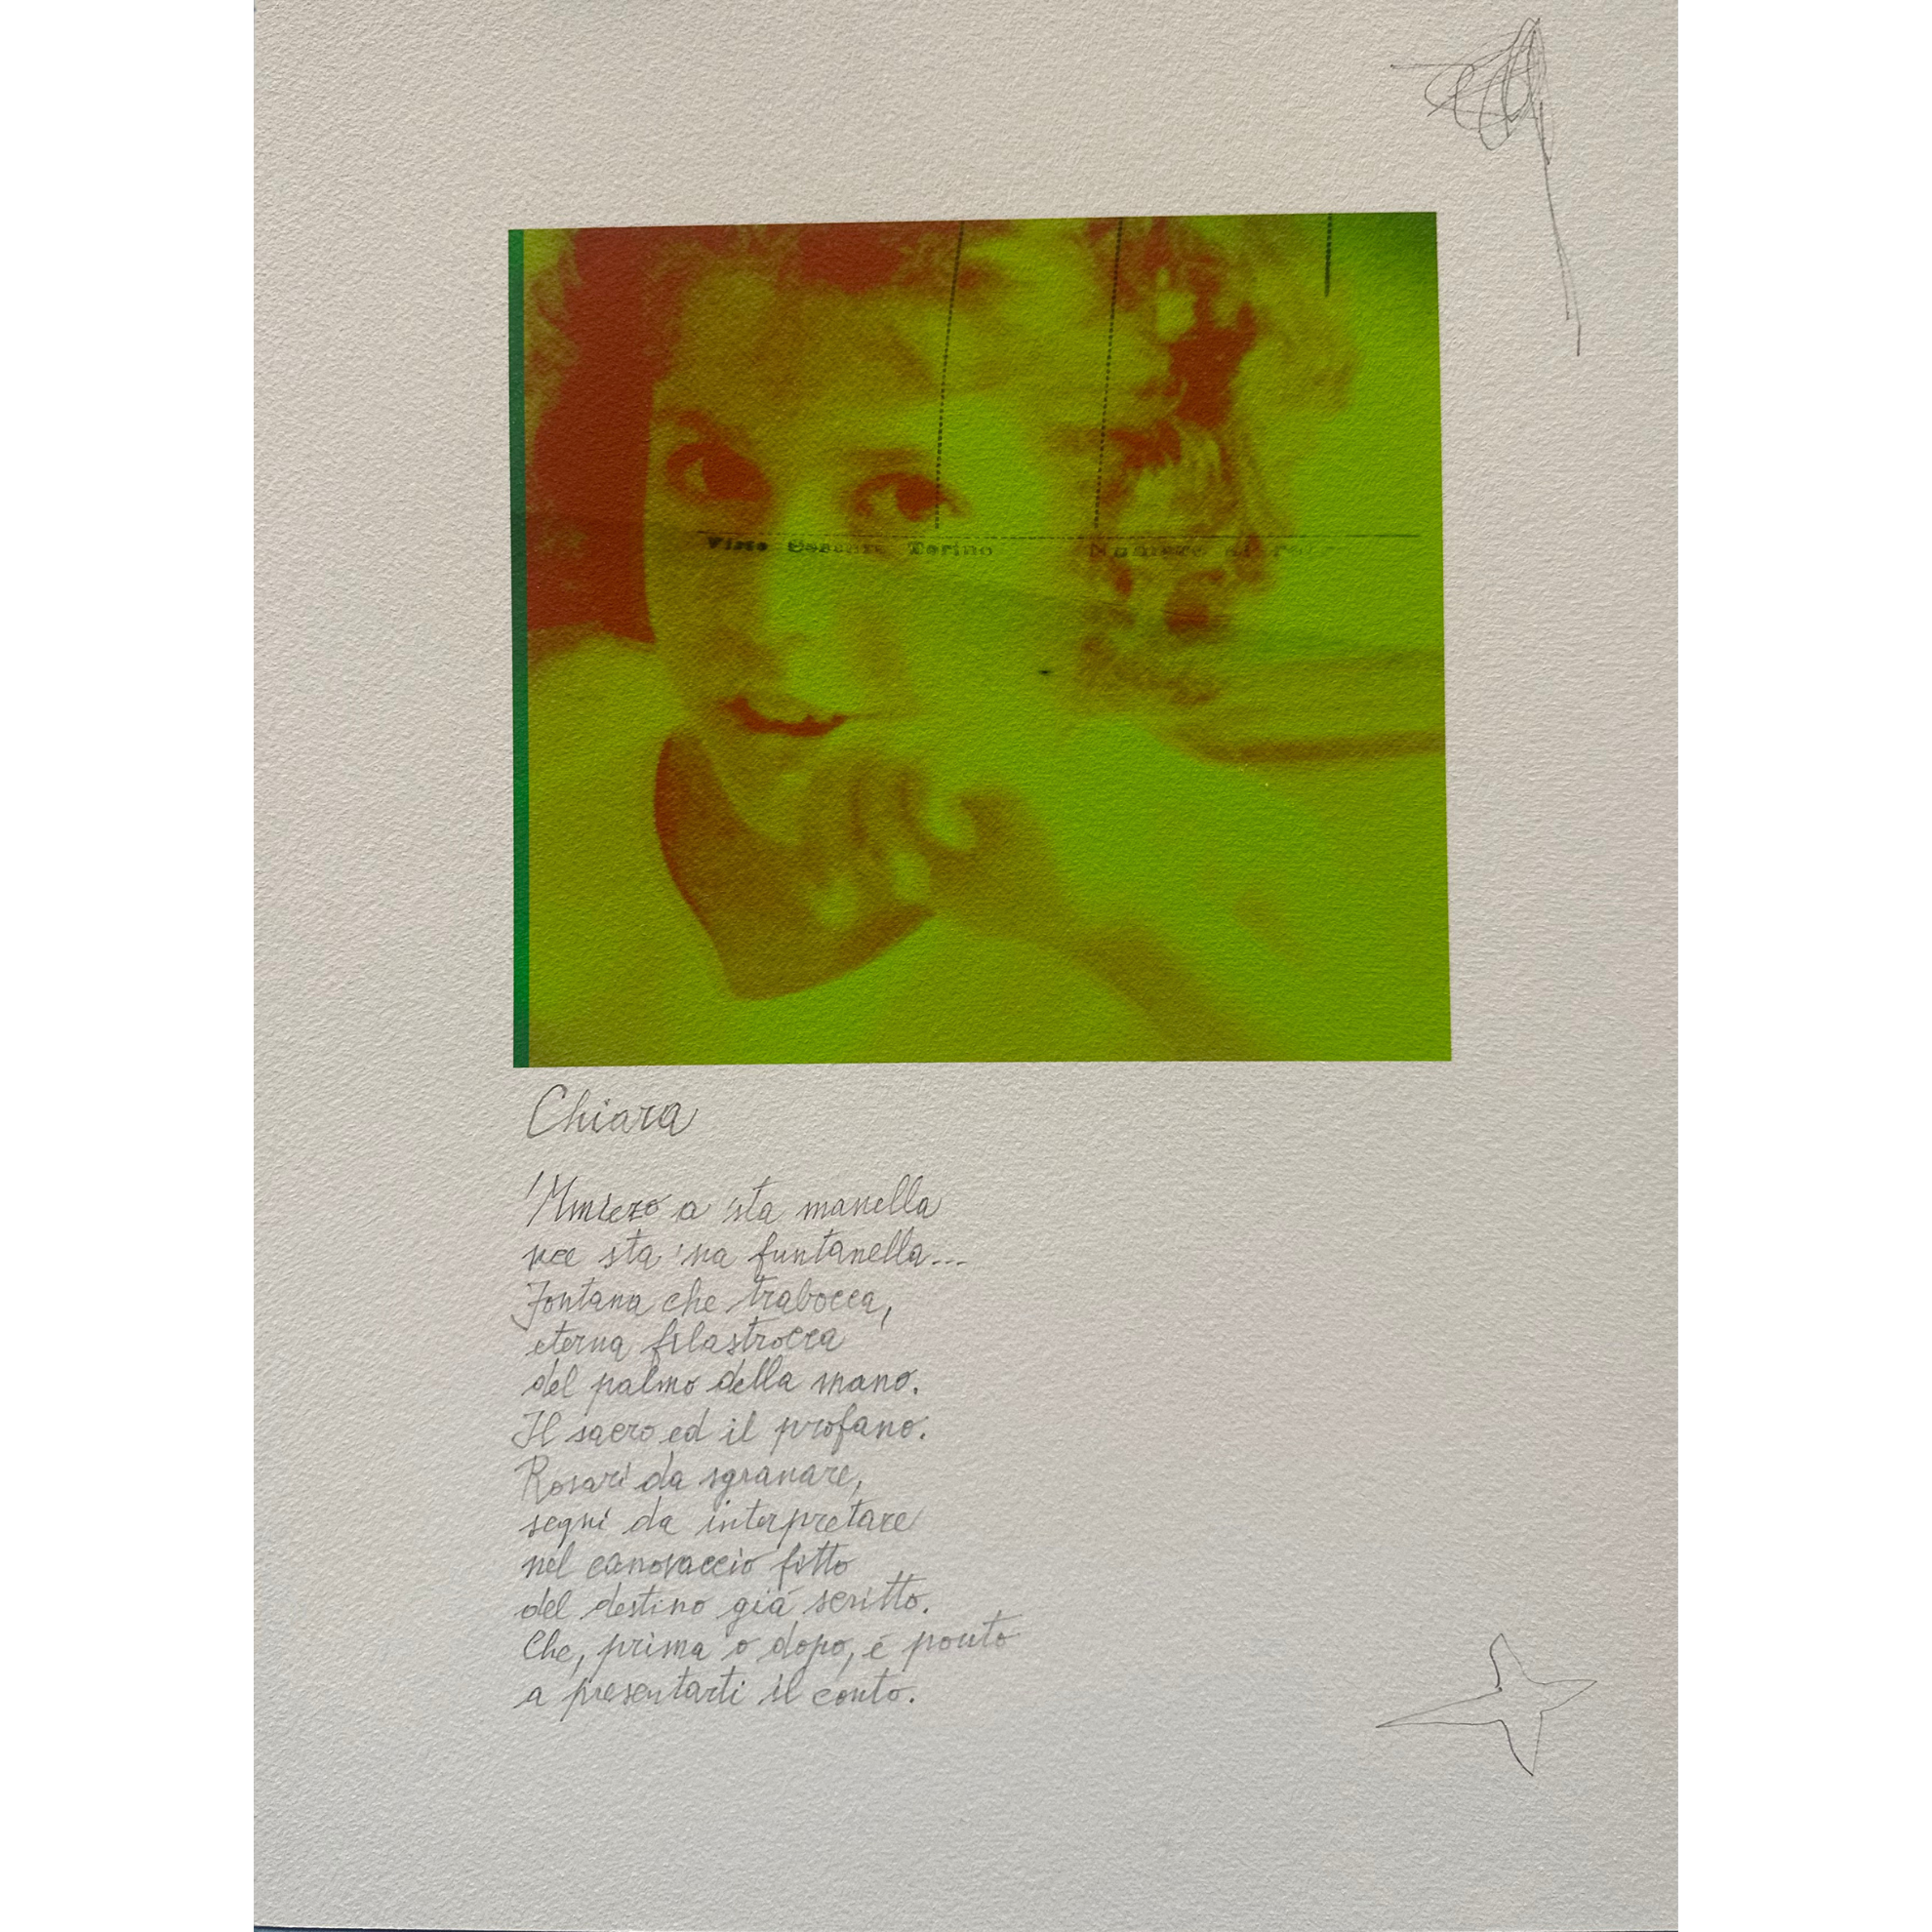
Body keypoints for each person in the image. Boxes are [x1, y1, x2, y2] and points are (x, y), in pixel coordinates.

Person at [519, 216, 1448, 1064]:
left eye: (905, 500)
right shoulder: (523, 864)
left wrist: (1137, 933)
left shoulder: (1231, 879)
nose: (766, 611)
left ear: (1100, 543)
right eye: (711, 474)